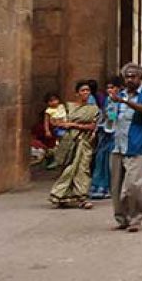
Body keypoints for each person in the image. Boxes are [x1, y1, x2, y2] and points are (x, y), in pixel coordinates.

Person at [110, 62, 142, 232]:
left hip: (135, 145)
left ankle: (136, 218)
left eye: (133, 76)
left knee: (133, 186)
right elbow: (111, 116)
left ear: (140, 78)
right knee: (116, 187)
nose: (130, 79)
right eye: (127, 76)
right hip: (117, 145)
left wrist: (125, 101)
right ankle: (122, 218)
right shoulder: (118, 95)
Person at [48, 81, 100, 209]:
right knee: (69, 168)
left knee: (82, 168)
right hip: (69, 141)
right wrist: (62, 125)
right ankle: (63, 195)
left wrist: (74, 125)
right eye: (83, 90)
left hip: (84, 141)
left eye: (88, 90)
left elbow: (93, 126)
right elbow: (55, 121)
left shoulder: (93, 109)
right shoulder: (68, 107)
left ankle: (82, 196)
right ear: (77, 93)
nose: (86, 93)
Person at [90, 75, 122, 200]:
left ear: (118, 88)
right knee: (100, 160)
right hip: (105, 132)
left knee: (111, 162)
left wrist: (110, 115)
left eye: (112, 87)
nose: (110, 90)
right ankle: (99, 186)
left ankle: (110, 187)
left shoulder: (122, 99)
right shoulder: (108, 99)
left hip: (115, 133)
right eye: (108, 88)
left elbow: (116, 116)